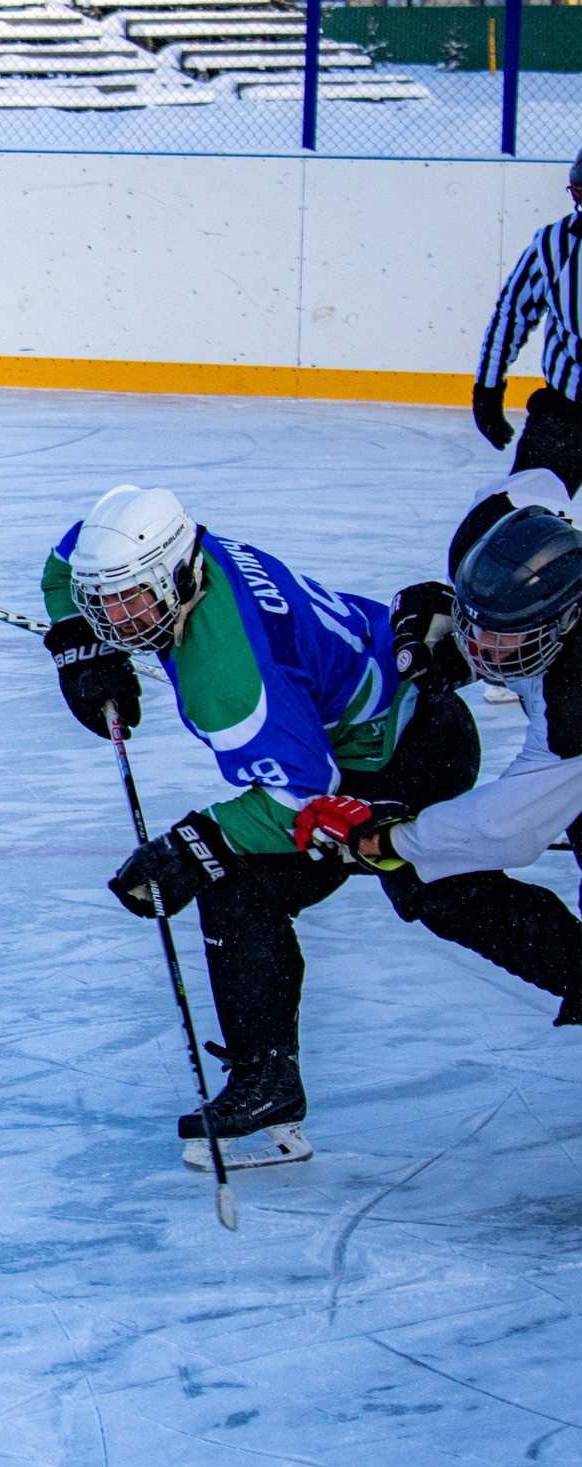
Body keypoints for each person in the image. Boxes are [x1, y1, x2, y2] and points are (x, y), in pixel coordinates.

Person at [47, 484, 580, 1170]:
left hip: (411, 748)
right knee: (241, 887)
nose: (116, 620)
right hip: (380, 712)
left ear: (179, 576)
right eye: (106, 603)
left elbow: (305, 801)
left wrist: (191, 843)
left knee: (435, 886)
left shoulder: (231, 684)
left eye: (132, 602)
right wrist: (76, 644)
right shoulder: (168, 550)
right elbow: (66, 565)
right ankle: (267, 1084)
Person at [294, 479, 582, 1025]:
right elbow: (535, 485)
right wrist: (434, 623)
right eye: (475, 625)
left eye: (504, 636)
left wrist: (393, 839)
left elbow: (506, 828)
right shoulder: (538, 595)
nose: (478, 646)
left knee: (436, 876)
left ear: (567, 620)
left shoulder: (574, 706)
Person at [474, 148, 582, 493]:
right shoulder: (555, 245)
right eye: (576, 192)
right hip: (568, 412)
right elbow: (512, 314)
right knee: (521, 512)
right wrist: (488, 389)